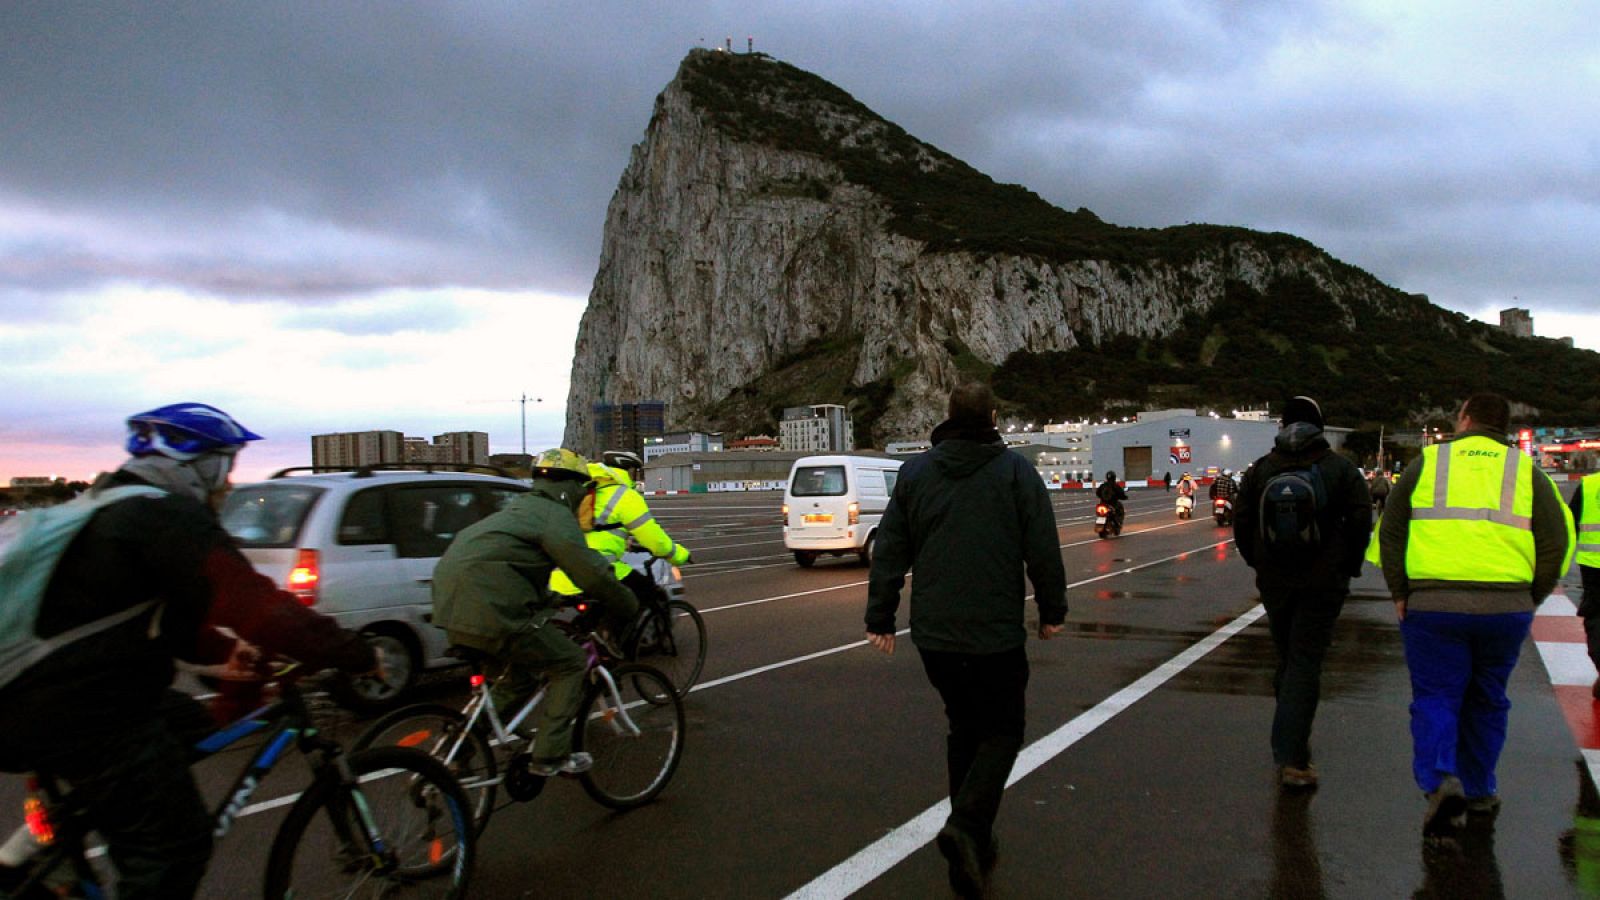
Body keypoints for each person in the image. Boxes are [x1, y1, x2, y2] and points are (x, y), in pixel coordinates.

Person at [0, 403, 377, 900]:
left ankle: (36, 848)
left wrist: (226, 651)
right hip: (74, 709)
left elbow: (165, 619)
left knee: (186, 724)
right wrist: (352, 651)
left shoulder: (106, 507)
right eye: (225, 467)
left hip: (38, 695)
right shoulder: (162, 515)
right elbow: (257, 605)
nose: (227, 485)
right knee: (175, 847)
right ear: (201, 465)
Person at [864, 382, 1067, 899]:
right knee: (1003, 730)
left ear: (948, 417)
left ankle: (970, 849)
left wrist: (882, 617)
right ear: (994, 418)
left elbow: (890, 548)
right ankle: (967, 825)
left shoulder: (916, 473)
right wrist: (1052, 610)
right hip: (994, 635)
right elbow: (1041, 545)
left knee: (963, 730)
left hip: (934, 637)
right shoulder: (1016, 472)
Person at [1381, 393, 1575, 835]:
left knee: (1436, 695)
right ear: (1504, 426)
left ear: (1464, 418)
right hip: (1505, 609)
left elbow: (1391, 532)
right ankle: (1482, 790)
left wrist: (1400, 591)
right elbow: (1555, 542)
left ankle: (1439, 779)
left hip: (1433, 607)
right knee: (1488, 699)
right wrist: (1531, 595)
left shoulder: (1427, 463)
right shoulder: (1527, 471)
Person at [431, 447, 639, 777]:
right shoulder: (555, 516)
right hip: (492, 609)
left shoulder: (519, 509)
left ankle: (458, 748)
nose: (587, 498)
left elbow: (515, 566)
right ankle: (550, 756)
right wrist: (627, 603)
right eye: (585, 491)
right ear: (572, 487)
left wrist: (552, 598)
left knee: (519, 678)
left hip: (452, 605)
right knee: (570, 664)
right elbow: (590, 573)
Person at [1234, 396, 1371, 790]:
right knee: (1304, 662)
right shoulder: (1339, 469)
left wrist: (1259, 564)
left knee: (1288, 655)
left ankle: (1289, 741)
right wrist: (1348, 566)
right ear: (1319, 426)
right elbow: (1361, 520)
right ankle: (1292, 758)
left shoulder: (1261, 469)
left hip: (1275, 581)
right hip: (1322, 582)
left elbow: (1242, 525)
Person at [548, 450, 692, 615]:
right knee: (647, 594)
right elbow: (656, 540)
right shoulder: (625, 496)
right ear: (629, 471)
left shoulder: (585, 490)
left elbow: (597, 530)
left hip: (560, 574)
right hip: (599, 571)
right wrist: (679, 555)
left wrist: (625, 543)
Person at [1571, 472, 1600, 697]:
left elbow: (1568, 524)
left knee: (1597, 619)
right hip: (1593, 564)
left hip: (1594, 567)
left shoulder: (1589, 486)